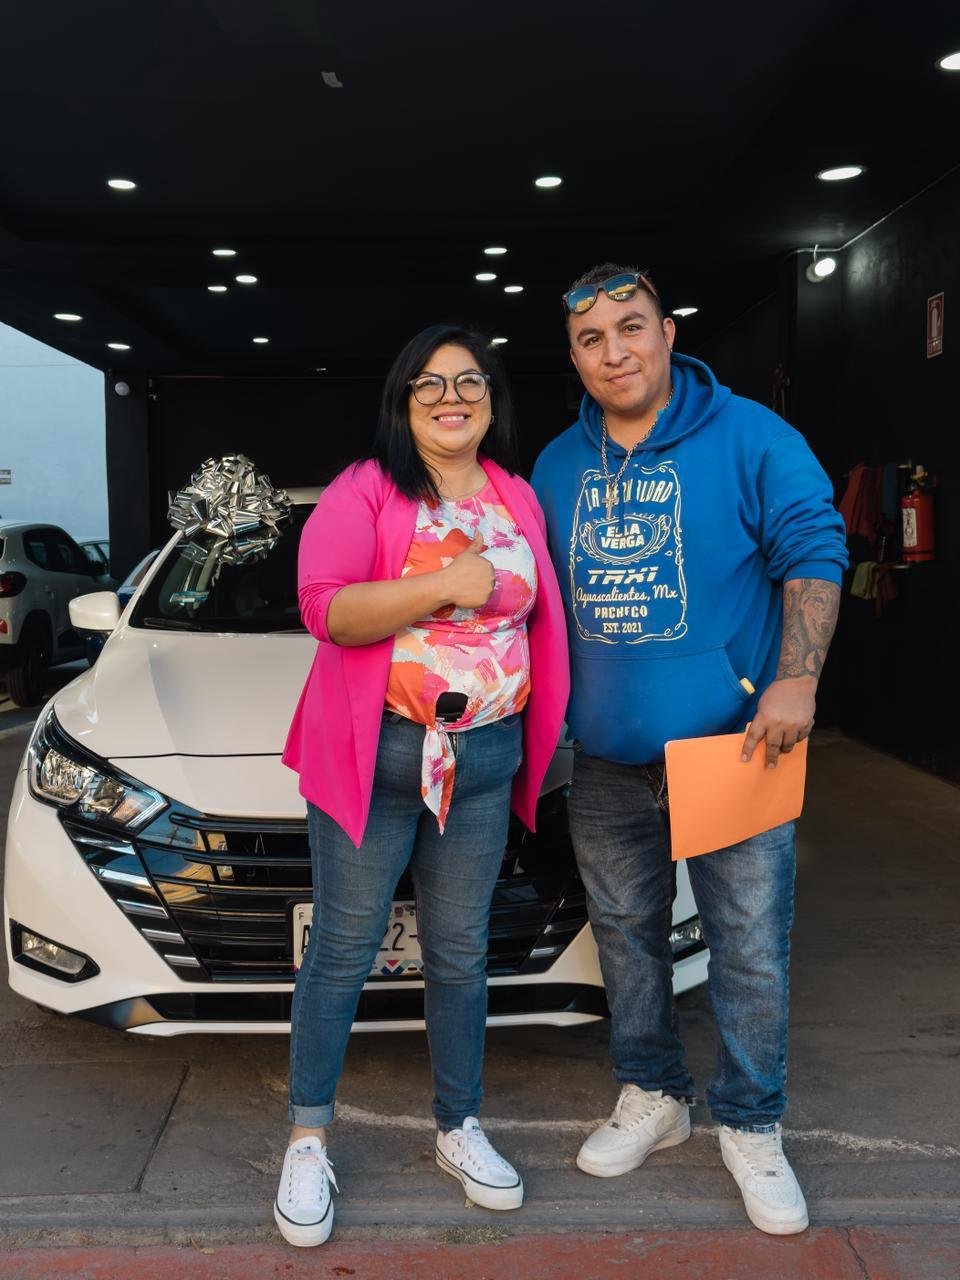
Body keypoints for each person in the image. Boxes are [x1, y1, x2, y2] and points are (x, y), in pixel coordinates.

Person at [531, 264, 847, 1236]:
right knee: (625, 939)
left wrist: (796, 678)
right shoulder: (555, 465)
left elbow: (814, 545)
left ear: (668, 331)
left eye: (632, 327)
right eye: (592, 338)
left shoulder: (752, 434)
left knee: (747, 947)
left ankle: (752, 1123)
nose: (615, 351)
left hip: (732, 749)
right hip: (610, 762)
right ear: (576, 355)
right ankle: (654, 1095)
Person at [278, 323, 570, 1247]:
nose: (452, 397)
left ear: (492, 399)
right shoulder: (367, 490)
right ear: (404, 402)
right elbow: (327, 609)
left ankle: (459, 1124)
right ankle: (309, 1136)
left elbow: (540, 619)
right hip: (380, 756)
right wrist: (447, 583)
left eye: (469, 382)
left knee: (459, 952)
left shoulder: (518, 497)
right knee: (344, 949)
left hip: (483, 762)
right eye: (430, 384)